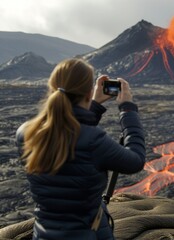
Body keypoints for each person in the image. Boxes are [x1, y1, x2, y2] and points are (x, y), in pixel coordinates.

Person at [15, 58, 146, 239]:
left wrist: (94, 106)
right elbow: (136, 161)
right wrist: (128, 110)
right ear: (87, 93)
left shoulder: (25, 133)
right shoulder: (94, 141)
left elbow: (70, 135)